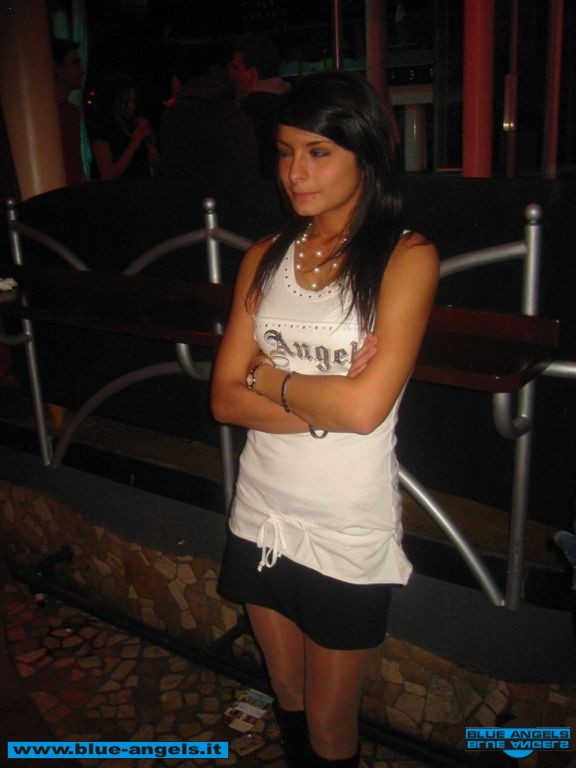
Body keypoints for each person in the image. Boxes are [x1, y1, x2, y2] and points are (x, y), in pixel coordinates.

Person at [211, 71, 439, 767]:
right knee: (287, 691)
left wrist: (268, 376)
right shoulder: (263, 257)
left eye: (318, 152)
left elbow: (365, 411)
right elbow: (223, 399)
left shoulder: (405, 257)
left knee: (331, 726)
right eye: (285, 153)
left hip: (345, 525)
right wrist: (325, 397)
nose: (294, 173)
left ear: (364, 154)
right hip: (261, 513)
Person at [159, 70, 259, 199]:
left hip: (200, 203)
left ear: (175, 82)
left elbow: (174, 175)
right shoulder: (235, 111)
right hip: (241, 201)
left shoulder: (181, 114)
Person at [229, 34, 291, 179]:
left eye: (236, 68)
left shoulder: (249, 112)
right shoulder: (291, 99)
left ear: (252, 73)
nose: (231, 75)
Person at [88, 74, 160, 180]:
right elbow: (107, 176)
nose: (132, 106)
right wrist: (134, 144)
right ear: (112, 102)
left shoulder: (132, 126)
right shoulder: (103, 132)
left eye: (133, 101)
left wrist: (149, 142)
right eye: (125, 102)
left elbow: (157, 166)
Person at [52, 38, 87, 186]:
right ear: (56, 67)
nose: (82, 70)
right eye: (75, 63)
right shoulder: (43, 115)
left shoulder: (72, 112)